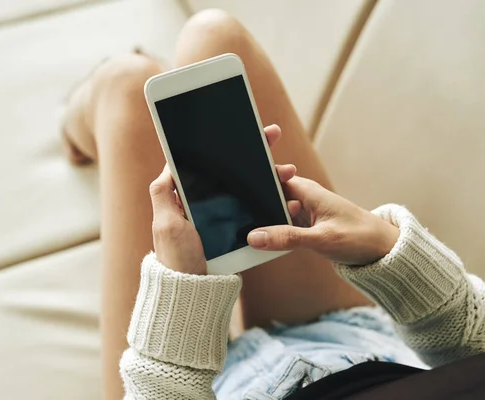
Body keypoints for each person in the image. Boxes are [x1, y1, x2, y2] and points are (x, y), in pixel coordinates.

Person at [61, 9, 485, 399]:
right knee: (216, 36)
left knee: (125, 85)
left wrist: (182, 306)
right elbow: (475, 349)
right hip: (360, 344)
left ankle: (86, 110)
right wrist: (386, 250)